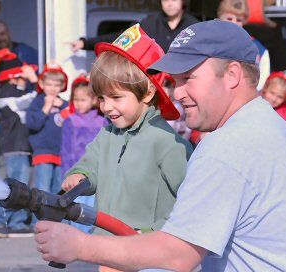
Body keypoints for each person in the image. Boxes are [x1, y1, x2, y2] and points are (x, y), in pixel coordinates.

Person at [34, 20, 286, 272]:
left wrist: (79, 245)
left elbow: (179, 253)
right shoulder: (272, 129)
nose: (178, 92)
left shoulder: (227, 149)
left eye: (188, 78)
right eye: (175, 81)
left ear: (232, 74)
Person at [61, 23, 192, 240]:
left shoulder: (168, 144)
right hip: (106, 244)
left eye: (116, 97)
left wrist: (154, 232)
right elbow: (90, 165)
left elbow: (191, 201)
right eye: (102, 98)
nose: (106, 107)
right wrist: (79, 175)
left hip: (150, 252)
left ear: (148, 93)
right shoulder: (107, 135)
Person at [0, 49, 38, 238]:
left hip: (18, 149)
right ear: (13, 78)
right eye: (22, 75)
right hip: (15, 149)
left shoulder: (13, 91)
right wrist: (36, 81)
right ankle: (4, 220)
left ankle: (4, 220)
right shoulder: (8, 93)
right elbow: (31, 100)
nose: (25, 79)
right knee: (18, 187)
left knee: (17, 187)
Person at [60, 73, 108, 233]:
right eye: (76, 99)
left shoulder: (102, 122)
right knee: (77, 206)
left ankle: (90, 237)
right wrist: (67, 173)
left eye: (83, 100)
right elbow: (65, 149)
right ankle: (77, 236)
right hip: (76, 174)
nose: (78, 104)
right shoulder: (70, 120)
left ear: (94, 100)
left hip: (97, 174)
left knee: (93, 205)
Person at [70, 0, 198, 53]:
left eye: (174, 0)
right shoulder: (150, 22)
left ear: (183, 1)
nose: (169, 4)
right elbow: (122, 38)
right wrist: (85, 43)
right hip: (156, 83)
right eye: (166, 0)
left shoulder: (194, 26)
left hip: (182, 85)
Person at [26, 63, 69, 194]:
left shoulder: (64, 103)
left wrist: (64, 106)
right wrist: (46, 107)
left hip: (62, 154)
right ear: (42, 84)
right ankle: (41, 215)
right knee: (42, 190)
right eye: (49, 84)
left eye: (56, 85)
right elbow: (32, 124)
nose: (52, 88)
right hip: (43, 152)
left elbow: (73, 122)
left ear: (62, 86)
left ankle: (55, 215)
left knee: (59, 190)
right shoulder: (38, 102)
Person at [217, 0, 270, 91]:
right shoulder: (210, 43)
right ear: (220, 18)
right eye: (229, 19)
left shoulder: (257, 49)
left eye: (239, 20)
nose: (234, 23)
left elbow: (262, 82)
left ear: (244, 21)